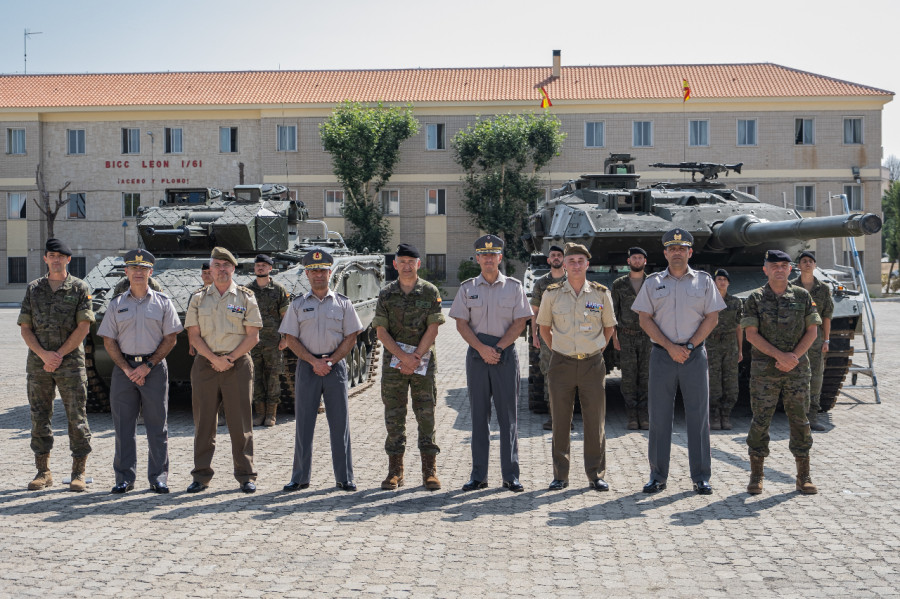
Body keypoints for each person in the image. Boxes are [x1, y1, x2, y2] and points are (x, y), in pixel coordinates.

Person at [632, 228, 725, 495]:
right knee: (660, 418)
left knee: (698, 417)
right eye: (672, 249)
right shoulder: (652, 282)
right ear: (665, 253)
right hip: (662, 355)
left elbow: (712, 317)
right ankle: (658, 476)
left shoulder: (704, 281)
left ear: (689, 252)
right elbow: (644, 319)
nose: (676, 253)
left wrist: (690, 346)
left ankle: (701, 476)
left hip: (694, 355)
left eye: (681, 249)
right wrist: (671, 347)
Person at [449, 234, 532, 493]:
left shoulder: (514, 287)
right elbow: (461, 324)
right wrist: (482, 349)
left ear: (500, 257)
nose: (488, 259)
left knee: (508, 418)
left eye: (492, 254)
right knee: (478, 417)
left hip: (505, 355)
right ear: (477, 258)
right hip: (477, 356)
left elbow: (521, 322)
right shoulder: (467, 288)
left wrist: (496, 348)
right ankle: (479, 476)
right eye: (483, 255)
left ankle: (511, 476)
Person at [97, 249, 182, 494]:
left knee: (157, 426)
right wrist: (126, 368)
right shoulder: (116, 304)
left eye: (143, 268)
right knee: (124, 427)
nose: (138, 272)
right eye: (134, 268)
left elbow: (171, 337)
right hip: (123, 370)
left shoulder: (163, 303)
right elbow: (109, 340)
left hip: (153, 369)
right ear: (126, 271)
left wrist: (148, 365)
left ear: (150, 272)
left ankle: (158, 477)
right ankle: (124, 478)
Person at [280, 249, 363, 492]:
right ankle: (300, 477)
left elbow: (351, 337)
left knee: (340, 424)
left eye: (323, 270)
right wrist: (313, 362)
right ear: (307, 274)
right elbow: (290, 338)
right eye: (313, 271)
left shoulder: (343, 304)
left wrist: (330, 361)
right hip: (307, 367)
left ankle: (344, 477)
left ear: (330, 273)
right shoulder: (297, 305)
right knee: (304, 424)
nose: (318, 275)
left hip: (335, 367)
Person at [536, 243, 616, 491]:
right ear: (565, 265)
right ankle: (561, 475)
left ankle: (595, 474)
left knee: (595, 422)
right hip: (561, 363)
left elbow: (609, 327)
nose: (576, 265)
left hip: (592, 362)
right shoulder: (551, 293)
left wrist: (595, 349)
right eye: (572, 261)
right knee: (561, 421)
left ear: (588, 264)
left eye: (581, 261)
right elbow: (544, 328)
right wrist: (559, 349)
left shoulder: (601, 294)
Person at [184, 247, 262, 493]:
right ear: (210, 269)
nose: (220, 270)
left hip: (237, 365)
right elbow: (193, 336)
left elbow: (253, 336)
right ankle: (201, 475)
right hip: (205, 365)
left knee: (240, 424)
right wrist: (213, 359)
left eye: (225, 265)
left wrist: (228, 358)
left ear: (233, 268)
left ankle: (246, 475)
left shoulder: (245, 297)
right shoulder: (198, 298)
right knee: (204, 423)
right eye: (216, 265)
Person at [19, 238, 95, 492]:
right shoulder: (34, 289)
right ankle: (43, 472)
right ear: (45, 259)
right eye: (51, 255)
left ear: (68, 259)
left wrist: (58, 355)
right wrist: (43, 355)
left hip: (70, 363)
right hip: (39, 364)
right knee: (39, 416)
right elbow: (26, 328)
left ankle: (78, 473)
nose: (56, 259)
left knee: (77, 417)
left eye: (60, 256)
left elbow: (83, 327)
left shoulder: (80, 288)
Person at [742, 250, 821, 495]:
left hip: (797, 371)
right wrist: (781, 357)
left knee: (800, 420)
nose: (779, 269)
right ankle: (756, 476)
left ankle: (803, 476)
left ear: (790, 269)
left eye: (784, 265)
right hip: (765, 372)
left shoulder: (802, 295)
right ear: (765, 269)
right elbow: (750, 334)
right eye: (774, 265)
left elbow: (812, 331)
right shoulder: (754, 298)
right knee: (760, 420)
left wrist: (793, 357)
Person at [373, 243, 445, 491]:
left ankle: (429, 471)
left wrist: (414, 357)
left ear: (418, 264)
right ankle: (395, 471)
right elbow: (381, 332)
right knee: (394, 417)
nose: (406, 265)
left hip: (422, 363)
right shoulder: (386, 294)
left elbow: (433, 328)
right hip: (394, 365)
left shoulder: (429, 292)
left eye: (410, 261)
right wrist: (403, 357)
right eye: (401, 261)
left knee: (426, 415)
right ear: (394, 264)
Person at [792, 250, 833, 431]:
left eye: (810, 261)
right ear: (798, 266)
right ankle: (796, 416)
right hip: (795, 340)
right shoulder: (791, 287)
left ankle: (812, 417)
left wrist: (827, 340)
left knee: (815, 378)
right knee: (794, 378)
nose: (807, 263)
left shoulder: (823, 289)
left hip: (816, 340)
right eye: (804, 261)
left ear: (815, 265)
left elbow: (827, 316)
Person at [247, 254, 290, 427]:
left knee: (273, 377)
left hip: (273, 341)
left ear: (270, 268)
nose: (260, 268)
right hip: (252, 341)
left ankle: (271, 414)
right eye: (258, 265)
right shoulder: (248, 290)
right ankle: (259, 414)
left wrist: (285, 338)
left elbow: (285, 316)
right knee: (255, 376)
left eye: (264, 265)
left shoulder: (278, 289)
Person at [611, 246, 652, 430]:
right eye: (634, 258)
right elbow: (613, 313)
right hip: (626, 336)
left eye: (640, 258)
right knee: (628, 377)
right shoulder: (619, 284)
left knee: (647, 377)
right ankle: (631, 416)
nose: (637, 261)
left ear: (645, 261)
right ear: (628, 261)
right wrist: (614, 337)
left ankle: (644, 415)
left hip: (648, 337)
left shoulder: (653, 282)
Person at [529, 245, 567, 432]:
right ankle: (554, 417)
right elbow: (534, 311)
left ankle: (566, 418)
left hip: (570, 335)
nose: (556, 258)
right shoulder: (541, 284)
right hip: (547, 335)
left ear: (564, 259)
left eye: (559, 255)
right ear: (548, 260)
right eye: (553, 255)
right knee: (550, 374)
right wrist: (534, 335)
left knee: (570, 376)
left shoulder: (573, 280)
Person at [706, 269, 743, 431]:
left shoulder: (735, 302)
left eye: (724, 279)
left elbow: (739, 327)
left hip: (730, 344)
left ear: (728, 283)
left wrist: (740, 349)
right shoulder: (707, 302)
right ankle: (714, 415)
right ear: (714, 282)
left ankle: (726, 415)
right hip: (711, 344)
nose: (721, 282)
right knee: (713, 381)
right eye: (718, 279)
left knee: (730, 382)